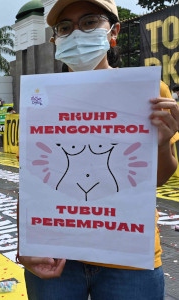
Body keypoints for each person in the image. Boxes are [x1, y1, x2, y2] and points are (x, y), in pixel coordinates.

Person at [17, 0, 179, 299]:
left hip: (128, 256)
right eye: (65, 28)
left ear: (113, 31)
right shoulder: (39, 99)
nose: (76, 33)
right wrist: (24, 244)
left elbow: (158, 179)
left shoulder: (149, 93)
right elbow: (31, 184)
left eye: (89, 22)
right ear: (56, 39)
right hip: (56, 255)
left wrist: (159, 145)